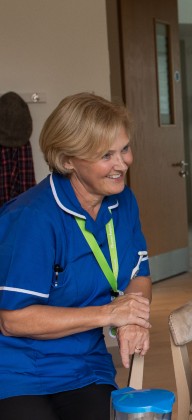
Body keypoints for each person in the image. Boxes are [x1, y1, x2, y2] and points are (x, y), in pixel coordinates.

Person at [0, 93, 152, 420]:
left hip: (85, 366)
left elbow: (138, 274)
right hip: (16, 372)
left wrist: (134, 315)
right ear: (69, 161)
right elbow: (13, 320)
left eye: (124, 149)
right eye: (106, 155)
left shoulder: (122, 201)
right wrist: (109, 314)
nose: (122, 163)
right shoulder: (34, 217)